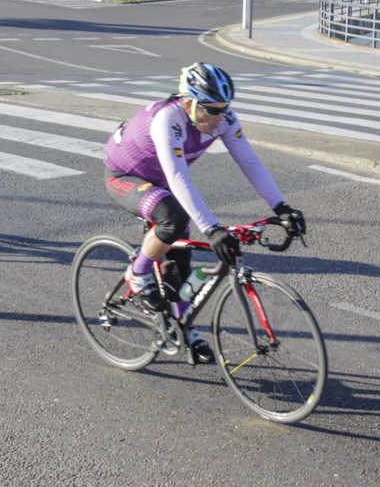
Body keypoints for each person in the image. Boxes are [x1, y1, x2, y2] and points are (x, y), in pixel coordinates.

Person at [103, 62, 305, 363]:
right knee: (174, 218)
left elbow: (249, 162)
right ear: (188, 102)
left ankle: (185, 326)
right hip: (125, 176)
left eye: (223, 108)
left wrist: (282, 208)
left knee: (181, 260)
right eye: (210, 109)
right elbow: (178, 177)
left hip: (161, 182)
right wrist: (212, 229)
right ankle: (138, 272)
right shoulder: (167, 120)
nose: (218, 116)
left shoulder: (222, 118)